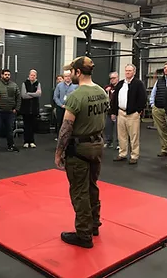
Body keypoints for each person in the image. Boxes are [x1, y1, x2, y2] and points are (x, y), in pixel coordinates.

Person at [55, 56, 109, 249]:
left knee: (79, 192)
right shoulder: (102, 92)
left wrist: (59, 151)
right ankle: (94, 224)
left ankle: (84, 234)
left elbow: (66, 128)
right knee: (92, 186)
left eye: (72, 71)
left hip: (79, 150)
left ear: (78, 72)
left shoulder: (77, 96)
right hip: (97, 146)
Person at [111, 64, 146, 164]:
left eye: (130, 71)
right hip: (121, 112)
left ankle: (134, 155)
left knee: (134, 135)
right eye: (126, 71)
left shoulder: (138, 84)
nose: (127, 72)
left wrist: (138, 111)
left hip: (133, 114)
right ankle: (122, 153)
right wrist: (114, 112)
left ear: (134, 72)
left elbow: (143, 98)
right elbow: (114, 98)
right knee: (121, 135)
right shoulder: (121, 83)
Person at [0, 69, 21, 153]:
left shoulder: (14, 85)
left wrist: (16, 109)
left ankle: (11, 146)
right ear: (2, 75)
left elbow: (18, 98)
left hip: (10, 112)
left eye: (8, 75)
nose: (7, 76)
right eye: (5, 74)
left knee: (10, 130)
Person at [149, 62, 167, 157]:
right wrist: (152, 104)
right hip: (158, 109)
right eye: (164, 68)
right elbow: (153, 92)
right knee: (162, 130)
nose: (166, 69)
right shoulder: (159, 80)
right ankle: (165, 149)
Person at [20, 69, 42, 148]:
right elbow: (23, 95)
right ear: (29, 75)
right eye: (31, 75)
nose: (32, 76)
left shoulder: (38, 83)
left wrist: (29, 93)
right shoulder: (24, 83)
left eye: (34, 75)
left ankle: (32, 141)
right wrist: (34, 94)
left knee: (33, 125)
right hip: (25, 108)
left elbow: (39, 94)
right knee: (26, 125)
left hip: (34, 108)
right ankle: (26, 141)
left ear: (36, 76)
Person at [104, 72, 119, 149]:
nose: (112, 80)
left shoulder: (120, 87)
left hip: (117, 111)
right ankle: (108, 142)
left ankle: (119, 143)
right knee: (108, 126)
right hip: (109, 111)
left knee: (118, 128)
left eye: (114, 78)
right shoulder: (108, 88)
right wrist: (106, 90)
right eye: (111, 78)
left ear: (117, 78)